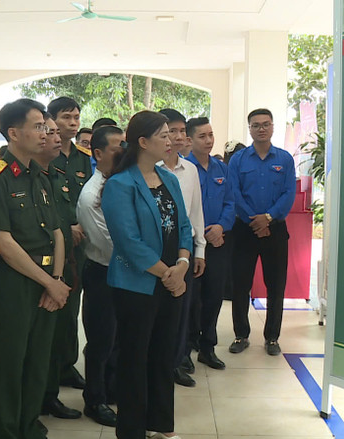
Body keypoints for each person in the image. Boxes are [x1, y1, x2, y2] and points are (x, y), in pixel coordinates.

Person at [0, 98, 70, 439]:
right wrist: (50, 282)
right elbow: (4, 244)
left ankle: (30, 425)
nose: (45, 133)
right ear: (14, 133)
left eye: (46, 127)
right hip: (16, 283)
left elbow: (57, 233)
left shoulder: (40, 175)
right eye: (38, 126)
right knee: (10, 364)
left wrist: (57, 280)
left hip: (48, 281)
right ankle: (6, 431)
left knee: (38, 361)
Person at [102, 110, 193, 439]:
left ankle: (160, 425)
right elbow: (128, 242)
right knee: (134, 359)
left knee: (163, 355)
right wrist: (167, 272)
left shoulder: (168, 178)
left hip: (171, 282)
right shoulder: (120, 184)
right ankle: (132, 430)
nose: (171, 140)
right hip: (136, 285)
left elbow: (184, 226)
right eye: (164, 135)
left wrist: (181, 266)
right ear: (143, 142)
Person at [228, 108, 295, 357]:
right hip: (244, 230)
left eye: (266, 124)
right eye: (256, 125)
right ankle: (240, 334)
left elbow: (289, 194)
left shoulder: (285, 159)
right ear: (250, 129)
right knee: (240, 285)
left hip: (275, 230)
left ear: (273, 127)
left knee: (276, 286)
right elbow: (233, 193)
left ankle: (272, 338)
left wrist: (268, 218)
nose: (261, 129)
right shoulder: (238, 160)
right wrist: (254, 221)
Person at [33, 114, 85, 420]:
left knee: (59, 334)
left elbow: (64, 222)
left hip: (64, 266)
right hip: (36, 270)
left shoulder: (57, 175)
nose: (54, 138)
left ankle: (49, 394)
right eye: (47, 132)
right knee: (40, 342)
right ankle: (37, 400)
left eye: (55, 133)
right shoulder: (21, 177)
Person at [76, 125, 126, 427]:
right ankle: (94, 400)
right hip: (103, 273)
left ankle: (112, 390)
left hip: (124, 272)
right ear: (98, 153)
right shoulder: (92, 195)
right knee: (100, 340)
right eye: (117, 146)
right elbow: (111, 244)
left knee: (119, 337)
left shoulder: (120, 183)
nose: (123, 150)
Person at [157, 108, 205, 388]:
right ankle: (159, 364)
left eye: (180, 131)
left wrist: (200, 251)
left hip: (184, 251)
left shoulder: (191, 170)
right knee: (159, 312)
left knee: (180, 311)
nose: (176, 137)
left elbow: (196, 213)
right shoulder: (148, 169)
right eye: (169, 132)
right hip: (156, 252)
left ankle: (175, 363)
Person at [185, 117, 234, 370]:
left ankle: (208, 347)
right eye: (202, 136)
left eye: (211, 135)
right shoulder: (184, 169)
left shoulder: (222, 169)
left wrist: (221, 227)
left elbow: (230, 202)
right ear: (189, 140)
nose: (208, 140)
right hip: (192, 244)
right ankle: (185, 349)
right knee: (190, 299)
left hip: (217, 242)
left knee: (214, 297)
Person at [49, 96, 91, 389]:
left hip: (84, 245)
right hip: (56, 244)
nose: (73, 122)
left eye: (76, 117)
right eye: (66, 117)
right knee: (58, 311)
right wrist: (67, 226)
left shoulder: (84, 158)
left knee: (74, 308)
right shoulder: (45, 156)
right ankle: (54, 370)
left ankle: (68, 365)